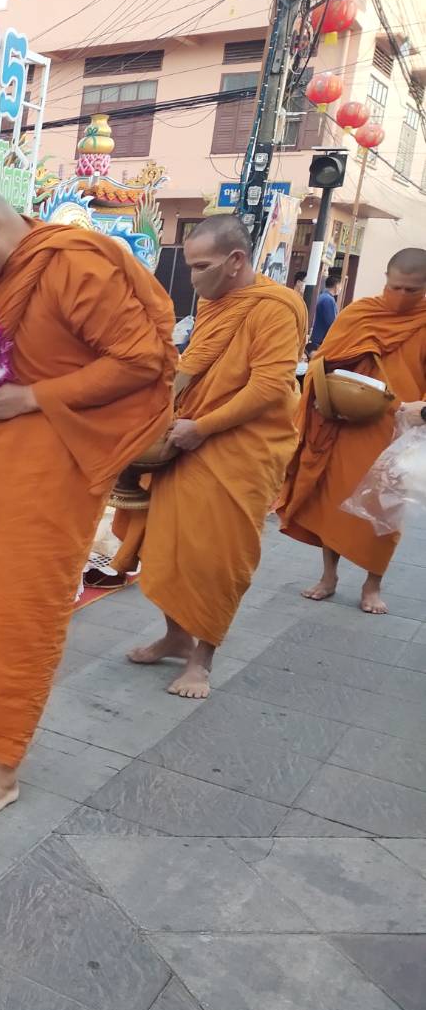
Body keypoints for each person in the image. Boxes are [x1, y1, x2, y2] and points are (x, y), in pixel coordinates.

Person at [0, 177, 175, 824]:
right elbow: (8, 362)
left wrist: (30, 398)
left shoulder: (72, 264)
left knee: (18, 611)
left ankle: (3, 769)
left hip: (50, 467)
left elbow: (143, 359)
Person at [121, 215, 306, 699]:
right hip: (189, 439)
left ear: (235, 261)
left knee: (218, 558)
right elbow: (195, 365)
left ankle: (202, 659)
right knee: (168, 548)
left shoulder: (275, 308)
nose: (193, 276)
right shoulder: (213, 302)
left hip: (241, 448)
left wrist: (201, 429)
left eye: (202, 265)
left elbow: (269, 386)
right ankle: (176, 636)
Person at [277, 248, 426, 614]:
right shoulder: (361, 314)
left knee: (384, 512)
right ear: (385, 281)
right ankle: (329, 577)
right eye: (397, 287)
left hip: (397, 432)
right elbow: (321, 362)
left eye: (413, 291)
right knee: (334, 501)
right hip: (347, 424)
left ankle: (372, 585)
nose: (402, 297)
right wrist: (325, 394)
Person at [309, 273, 341, 352]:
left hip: (319, 339)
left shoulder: (324, 296)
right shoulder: (328, 299)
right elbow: (331, 322)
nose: (340, 289)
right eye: (340, 286)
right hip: (321, 341)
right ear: (336, 286)